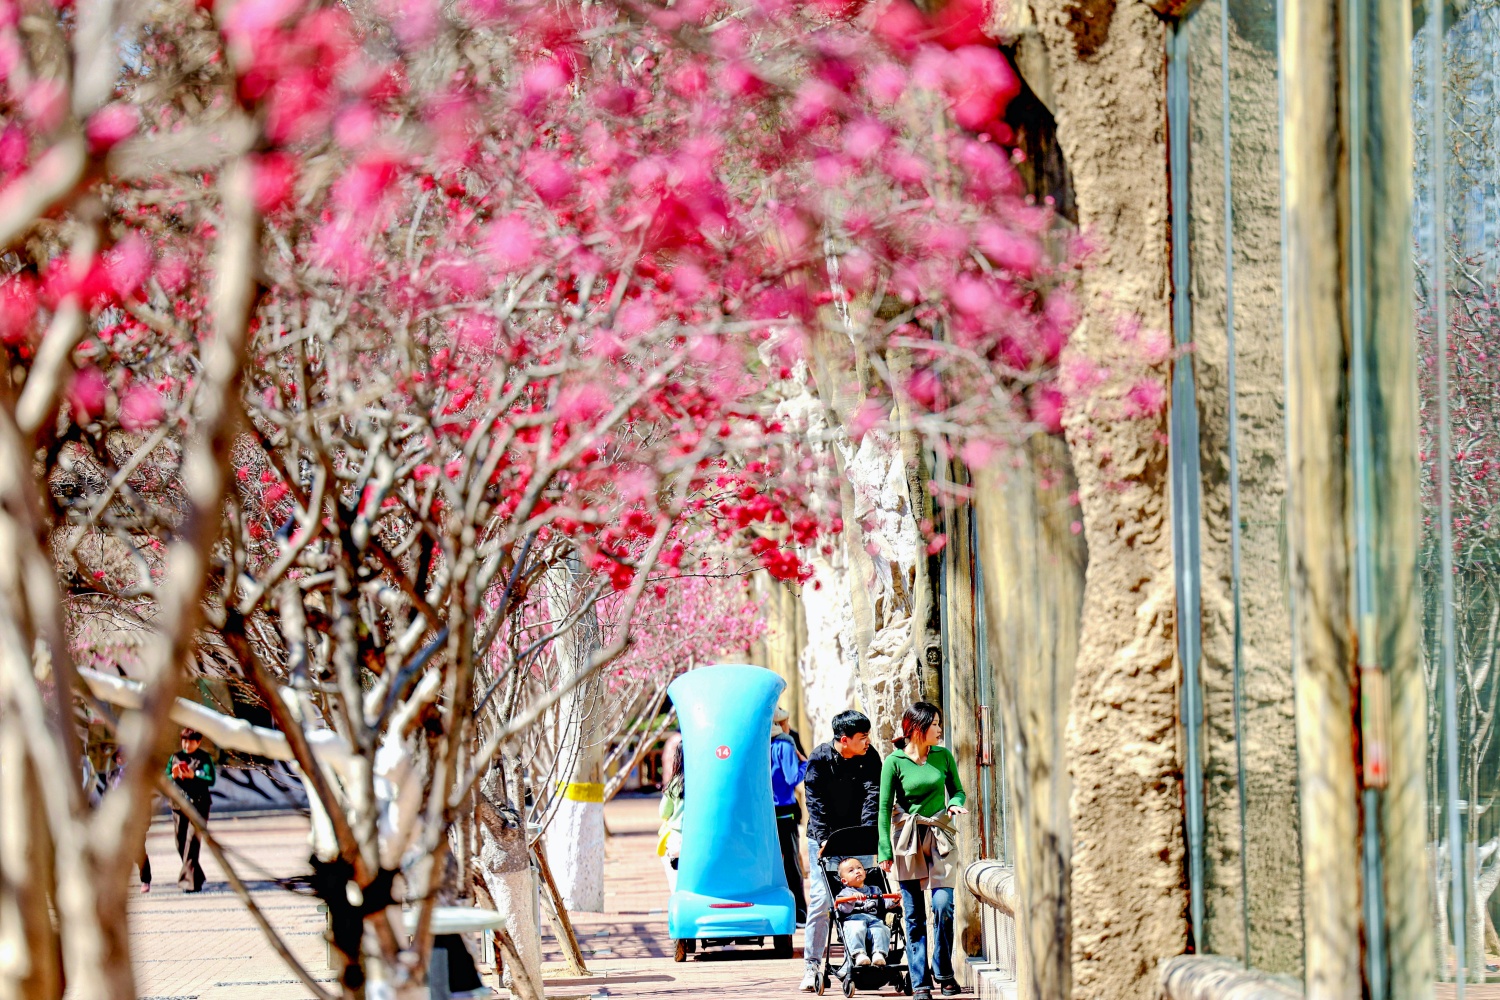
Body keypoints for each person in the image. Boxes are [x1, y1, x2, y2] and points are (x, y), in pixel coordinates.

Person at [877, 702, 967, 1000]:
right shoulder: (894, 762)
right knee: (914, 914)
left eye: (939, 723)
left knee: (943, 905)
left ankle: (943, 968)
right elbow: (884, 808)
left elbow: (958, 790)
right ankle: (921, 982)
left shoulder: (943, 756)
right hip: (907, 838)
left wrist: (954, 803)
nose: (940, 729)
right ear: (917, 728)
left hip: (940, 834)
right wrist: (884, 850)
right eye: (935, 724)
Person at [800, 709, 882, 992]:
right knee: (822, 900)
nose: (868, 741)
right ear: (844, 740)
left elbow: (873, 795)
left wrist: (866, 834)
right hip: (825, 840)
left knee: (864, 897)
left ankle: (859, 959)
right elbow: (815, 802)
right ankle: (812, 966)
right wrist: (824, 838)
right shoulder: (819, 759)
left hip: (858, 838)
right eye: (863, 737)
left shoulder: (870, 757)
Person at [166, 728, 217, 893]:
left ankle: (188, 882)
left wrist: (193, 776)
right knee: (180, 842)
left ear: (198, 742)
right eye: (184, 741)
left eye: (190, 742)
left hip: (199, 804)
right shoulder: (175, 757)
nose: (186, 745)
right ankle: (198, 875)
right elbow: (165, 778)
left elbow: (211, 779)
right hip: (178, 804)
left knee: (192, 841)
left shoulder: (204, 758)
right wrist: (173, 776)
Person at [771, 706, 809, 924]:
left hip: (764, 813)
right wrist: (805, 764)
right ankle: (799, 912)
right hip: (785, 812)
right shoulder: (784, 745)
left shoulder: (758, 746)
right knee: (791, 863)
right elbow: (792, 778)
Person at [833, 857, 893, 971]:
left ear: (865, 872)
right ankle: (859, 954)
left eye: (859, 868)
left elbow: (884, 903)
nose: (857, 871)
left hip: (874, 920)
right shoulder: (844, 893)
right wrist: (851, 900)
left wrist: (893, 901)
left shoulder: (875, 890)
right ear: (844, 881)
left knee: (881, 929)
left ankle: (878, 953)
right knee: (856, 928)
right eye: (851, 870)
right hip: (853, 920)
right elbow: (843, 910)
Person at [658, 739, 685, 892]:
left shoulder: (675, 784)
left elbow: (663, 813)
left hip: (678, 840)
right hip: (702, 839)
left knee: (675, 880)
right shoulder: (705, 783)